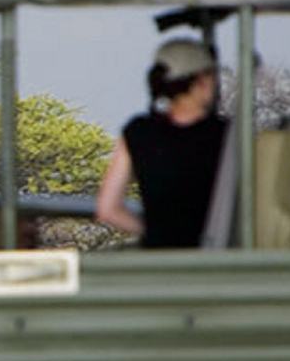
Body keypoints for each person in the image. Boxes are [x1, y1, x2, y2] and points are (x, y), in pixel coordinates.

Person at [96, 37, 227, 248]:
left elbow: (107, 209)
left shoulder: (138, 131)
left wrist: (155, 234)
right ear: (202, 81)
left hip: (158, 258)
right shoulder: (225, 134)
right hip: (216, 258)